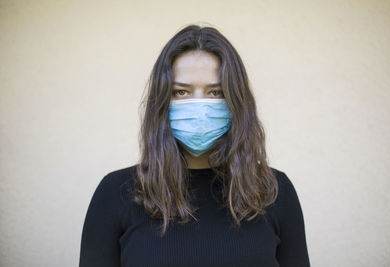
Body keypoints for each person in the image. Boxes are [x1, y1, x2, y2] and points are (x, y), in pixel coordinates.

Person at [79, 24, 310, 267]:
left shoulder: (274, 192)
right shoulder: (116, 193)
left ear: (236, 102)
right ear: (162, 102)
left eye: (215, 92)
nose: (199, 106)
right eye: (181, 92)